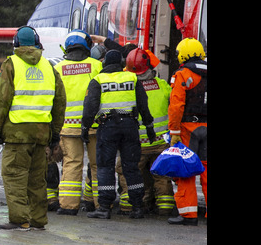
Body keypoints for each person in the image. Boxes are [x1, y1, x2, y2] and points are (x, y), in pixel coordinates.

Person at [0, 27, 66, 231]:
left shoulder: (11, 64)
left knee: (15, 176)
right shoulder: (49, 66)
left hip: (17, 133)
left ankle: (19, 220)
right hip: (41, 134)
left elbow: (1, 99)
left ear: (16, 43)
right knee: (37, 180)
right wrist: (55, 133)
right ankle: (38, 220)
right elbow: (60, 101)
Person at [81, 50, 156, 220]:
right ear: (122, 64)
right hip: (130, 126)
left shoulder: (98, 80)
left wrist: (85, 128)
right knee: (131, 166)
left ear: (104, 64)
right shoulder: (132, 78)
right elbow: (143, 104)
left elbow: (90, 107)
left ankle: (104, 208)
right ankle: (137, 207)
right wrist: (149, 126)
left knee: (105, 166)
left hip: (107, 127)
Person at [54, 30, 103, 215]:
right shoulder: (97, 66)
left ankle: (68, 206)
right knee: (97, 165)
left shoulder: (58, 69)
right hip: (94, 126)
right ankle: (101, 205)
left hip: (67, 126)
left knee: (72, 164)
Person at [124, 48, 175, 216]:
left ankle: (132, 204)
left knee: (131, 173)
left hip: (137, 144)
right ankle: (165, 207)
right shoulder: (162, 85)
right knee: (161, 175)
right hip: (160, 142)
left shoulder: (128, 88)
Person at [166, 38, 207, 226]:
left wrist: (173, 130)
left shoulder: (182, 74)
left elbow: (176, 105)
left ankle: (188, 215)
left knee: (186, 171)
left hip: (188, 128)